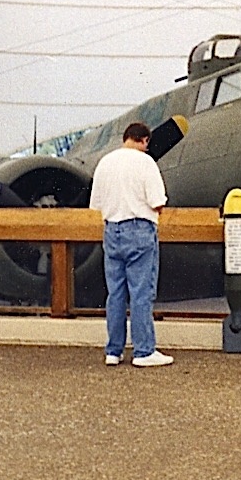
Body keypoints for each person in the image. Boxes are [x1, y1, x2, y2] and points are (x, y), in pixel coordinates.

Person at [90, 122, 173, 366]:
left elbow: (96, 204)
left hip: (111, 230)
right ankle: (144, 351)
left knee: (115, 293)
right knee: (141, 292)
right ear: (144, 141)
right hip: (139, 229)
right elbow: (158, 202)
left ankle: (113, 351)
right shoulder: (146, 162)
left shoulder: (105, 162)